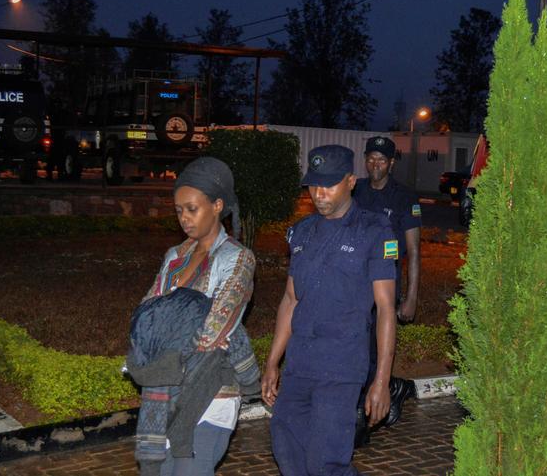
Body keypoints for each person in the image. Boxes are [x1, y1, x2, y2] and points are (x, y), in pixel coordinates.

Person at [262, 145, 397, 476]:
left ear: (350, 181)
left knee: (325, 463)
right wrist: (272, 362)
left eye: (329, 184)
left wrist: (381, 380)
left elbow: (385, 308)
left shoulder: (374, 230)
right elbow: (290, 299)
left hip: (341, 367)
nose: (318, 193)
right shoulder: (302, 232)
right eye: (313, 185)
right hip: (299, 364)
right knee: (287, 449)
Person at [136, 157, 258, 476]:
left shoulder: (238, 259)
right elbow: (143, 318)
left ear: (217, 205)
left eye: (192, 209)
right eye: (179, 211)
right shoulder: (175, 257)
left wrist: (166, 324)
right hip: (164, 394)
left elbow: (214, 329)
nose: (184, 219)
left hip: (211, 394)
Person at [352, 136, 419, 442]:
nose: (374, 164)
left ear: (391, 163)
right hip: (356, 283)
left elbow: (413, 251)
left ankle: (362, 424)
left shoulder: (404, 197)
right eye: (370, 158)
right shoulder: (356, 190)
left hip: (386, 285)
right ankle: (393, 387)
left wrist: (411, 297)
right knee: (357, 349)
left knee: (371, 351)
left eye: (381, 159)